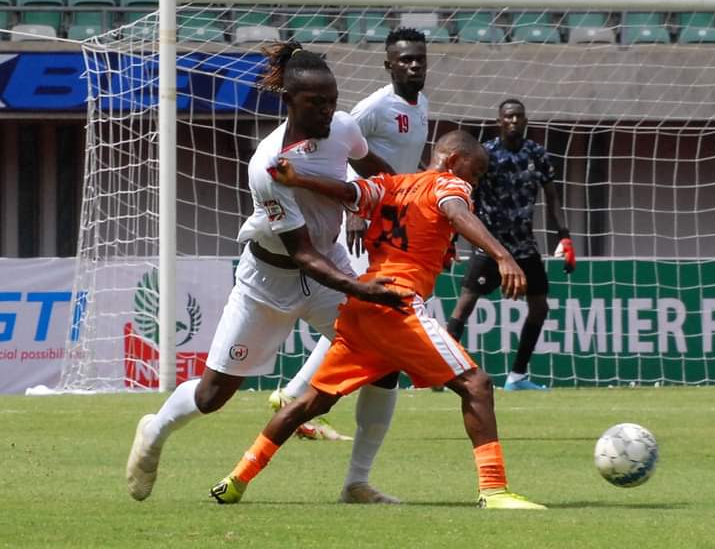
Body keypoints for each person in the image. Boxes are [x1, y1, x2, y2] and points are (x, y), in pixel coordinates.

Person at [125, 40, 412, 502]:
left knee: (384, 359)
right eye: (315, 102)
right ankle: (154, 431)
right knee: (213, 396)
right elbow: (300, 253)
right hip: (268, 282)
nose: (327, 110)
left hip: (330, 265)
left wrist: (403, 208)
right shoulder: (268, 164)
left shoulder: (343, 127)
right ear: (289, 101)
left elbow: (380, 174)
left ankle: (356, 483)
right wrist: (362, 289)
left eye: (332, 100)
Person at [208, 130, 546, 510]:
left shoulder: (389, 185)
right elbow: (455, 209)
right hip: (396, 305)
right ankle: (494, 490)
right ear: (453, 161)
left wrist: (299, 179)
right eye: (476, 172)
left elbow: (349, 192)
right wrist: (503, 256)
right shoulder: (450, 185)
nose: (476, 182)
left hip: (362, 304)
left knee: (311, 403)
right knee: (477, 385)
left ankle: (237, 478)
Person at [267, 27, 430, 503]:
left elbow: (398, 166)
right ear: (388, 64)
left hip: (396, 221)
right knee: (363, 318)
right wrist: (357, 212)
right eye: (404, 59)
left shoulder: (421, 104)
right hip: (365, 224)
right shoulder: (373, 107)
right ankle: (298, 395)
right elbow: (341, 151)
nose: (414, 65)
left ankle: (295, 393)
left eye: (419, 58)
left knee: (360, 321)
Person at [446, 99, 575, 391]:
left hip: (525, 246)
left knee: (539, 307)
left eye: (518, 116)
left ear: (525, 120)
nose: (514, 121)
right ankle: (440, 372)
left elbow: (552, 197)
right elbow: (466, 196)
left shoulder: (536, 154)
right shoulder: (485, 154)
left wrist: (564, 236)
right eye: (508, 116)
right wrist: (451, 239)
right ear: (499, 121)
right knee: (464, 306)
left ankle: (517, 376)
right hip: (490, 246)